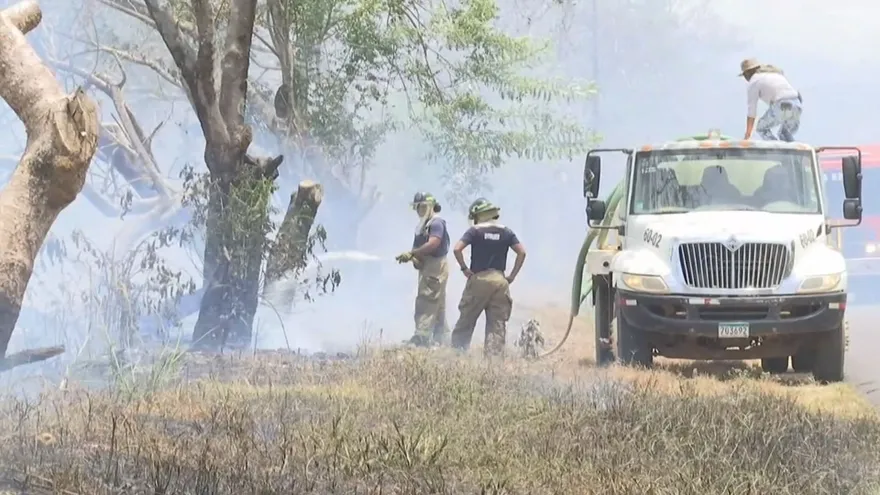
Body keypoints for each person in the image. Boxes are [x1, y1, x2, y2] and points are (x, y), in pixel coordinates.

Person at [450, 198, 526, 356]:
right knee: (497, 324)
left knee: (467, 319)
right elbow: (522, 252)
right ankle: (493, 363)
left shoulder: (475, 230)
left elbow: (457, 249)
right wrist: (511, 276)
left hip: (479, 279)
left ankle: (457, 355)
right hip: (500, 281)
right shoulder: (506, 231)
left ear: (479, 215)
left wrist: (464, 268)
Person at [395, 192, 451, 347]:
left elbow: (434, 243)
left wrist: (413, 253)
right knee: (437, 303)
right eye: (416, 207)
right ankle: (442, 338)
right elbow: (419, 250)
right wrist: (414, 258)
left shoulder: (436, 223)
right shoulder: (422, 225)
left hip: (435, 266)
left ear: (428, 206)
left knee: (427, 300)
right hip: (428, 267)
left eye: (420, 207)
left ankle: (421, 337)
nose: (418, 210)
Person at [739, 58, 803, 142]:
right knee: (784, 133)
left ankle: (776, 149)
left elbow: (752, 112)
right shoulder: (774, 74)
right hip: (797, 104)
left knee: (761, 128)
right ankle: (793, 151)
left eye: (744, 75)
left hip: (782, 104)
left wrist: (747, 135)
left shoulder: (753, 82)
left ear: (747, 73)